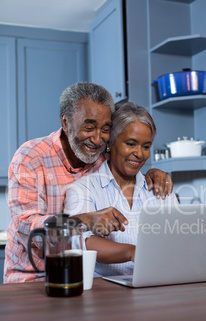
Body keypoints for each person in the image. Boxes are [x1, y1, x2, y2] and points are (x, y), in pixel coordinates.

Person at [4, 83, 173, 283]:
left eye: (105, 129)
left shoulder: (101, 156)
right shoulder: (31, 157)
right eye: (89, 127)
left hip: (78, 276)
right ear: (66, 123)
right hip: (33, 277)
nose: (97, 138)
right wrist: (84, 220)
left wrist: (152, 173)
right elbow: (28, 229)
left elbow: (130, 156)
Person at [64, 102, 178, 277]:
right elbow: (80, 241)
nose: (139, 154)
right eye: (131, 144)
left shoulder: (160, 188)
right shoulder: (84, 188)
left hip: (155, 283)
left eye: (146, 146)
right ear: (110, 143)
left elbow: (178, 240)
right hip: (104, 292)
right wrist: (131, 252)